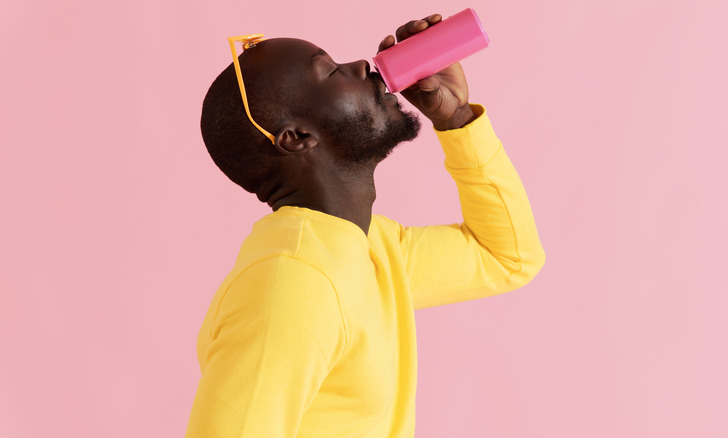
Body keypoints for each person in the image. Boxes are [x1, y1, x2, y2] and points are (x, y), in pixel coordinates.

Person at [186, 13, 545, 438]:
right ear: (297, 138)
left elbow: (506, 257)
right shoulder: (292, 283)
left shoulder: (369, 248)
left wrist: (456, 118)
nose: (361, 66)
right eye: (330, 71)